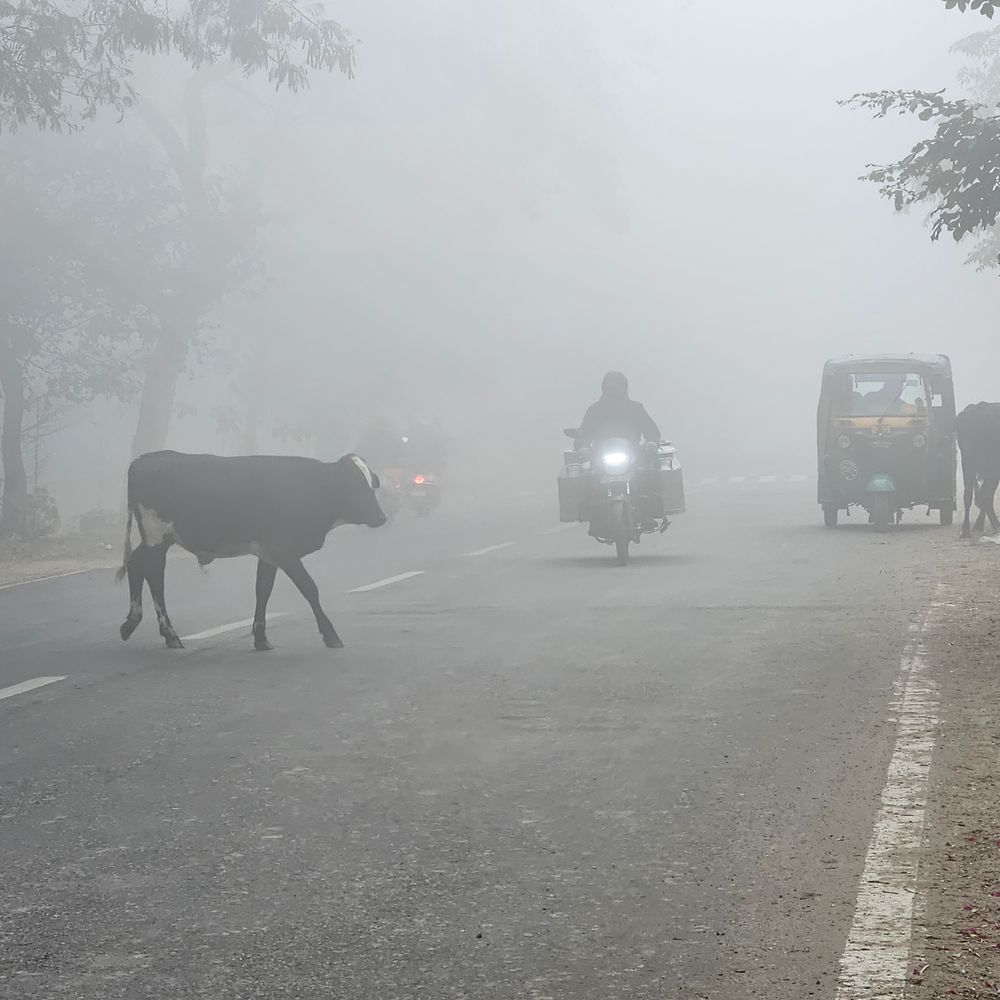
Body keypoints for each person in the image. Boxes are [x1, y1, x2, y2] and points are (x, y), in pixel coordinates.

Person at [576, 371, 661, 447]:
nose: (614, 389)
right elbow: (585, 433)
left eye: (618, 385)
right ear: (604, 388)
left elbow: (651, 431)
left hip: (634, 455)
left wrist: (651, 442)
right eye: (611, 386)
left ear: (624, 388)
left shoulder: (636, 408)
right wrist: (582, 445)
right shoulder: (594, 410)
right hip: (598, 456)